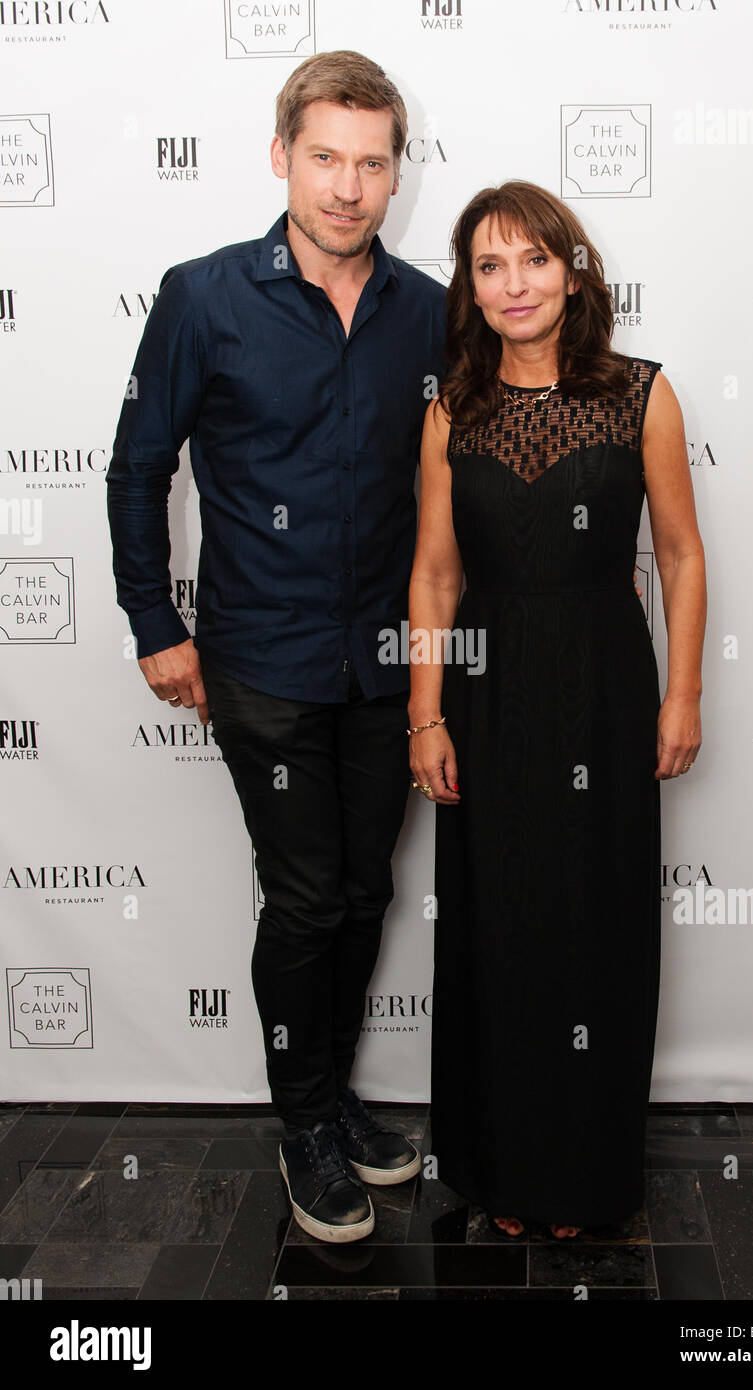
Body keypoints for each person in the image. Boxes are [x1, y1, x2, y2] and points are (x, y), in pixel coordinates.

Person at [106, 51, 446, 1244]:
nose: (349, 187)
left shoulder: (425, 306)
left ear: (396, 171)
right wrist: (157, 623)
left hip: (386, 662)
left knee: (364, 890)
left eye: (371, 163)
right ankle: (303, 1118)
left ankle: (335, 1096)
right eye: (325, 158)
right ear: (279, 156)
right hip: (259, 661)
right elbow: (139, 464)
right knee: (305, 900)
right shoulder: (203, 296)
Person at [407, 180, 706, 1240]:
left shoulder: (640, 393)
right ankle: (501, 1171)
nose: (513, 284)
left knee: (593, 924)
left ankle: (580, 1175)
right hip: (487, 701)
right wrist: (426, 716)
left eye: (533, 259)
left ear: (571, 271)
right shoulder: (452, 407)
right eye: (489, 266)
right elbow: (435, 577)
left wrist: (682, 694)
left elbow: (675, 553)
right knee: (498, 924)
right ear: (470, 289)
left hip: (605, 694)